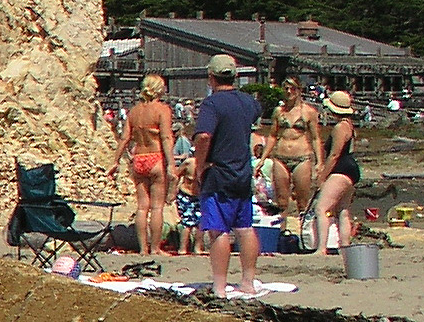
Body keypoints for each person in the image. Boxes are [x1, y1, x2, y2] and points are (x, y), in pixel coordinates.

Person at [185, 53, 262, 297]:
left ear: (211, 77)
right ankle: (248, 281)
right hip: (242, 170)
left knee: (218, 231)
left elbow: (204, 135)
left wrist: (200, 165)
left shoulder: (212, 104)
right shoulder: (248, 102)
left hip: (219, 171)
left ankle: (219, 286)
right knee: (245, 228)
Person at [110, 74, 175, 254]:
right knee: (156, 207)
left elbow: (124, 138)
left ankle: (142, 248)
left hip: (139, 158)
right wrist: (171, 164)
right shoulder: (162, 110)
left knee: (141, 207)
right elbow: (166, 137)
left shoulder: (134, 112)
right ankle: (155, 248)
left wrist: (115, 161)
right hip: (156, 157)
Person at [269, 78, 324, 248]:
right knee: (282, 200)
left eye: (292, 88)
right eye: (286, 88)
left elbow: (315, 138)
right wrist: (263, 158)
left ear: (299, 90)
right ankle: (281, 235)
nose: (288, 92)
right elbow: (272, 135)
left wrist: (319, 161)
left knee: (303, 200)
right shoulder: (279, 111)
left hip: (302, 156)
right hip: (280, 155)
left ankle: (305, 237)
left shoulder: (309, 112)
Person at [313, 91, 362, 253]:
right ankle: (345, 246)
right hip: (351, 169)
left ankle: (321, 248)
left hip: (341, 169)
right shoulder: (350, 126)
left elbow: (334, 155)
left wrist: (322, 176)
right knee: (342, 210)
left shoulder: (340, 127)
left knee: (321, 208)